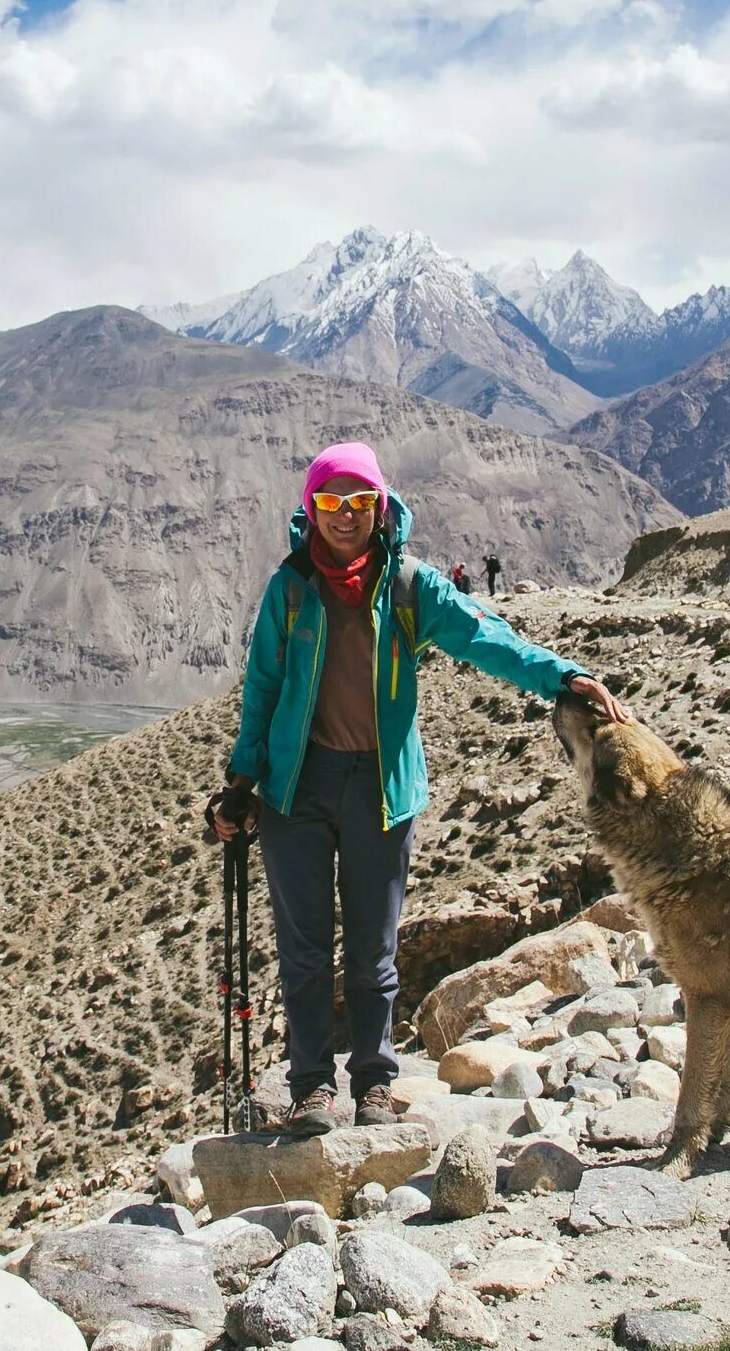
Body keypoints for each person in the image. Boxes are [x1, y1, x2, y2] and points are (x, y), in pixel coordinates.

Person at [208, 442, 627, 1135]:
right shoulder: (289, 589)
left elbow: (484, 635)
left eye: (360, 502)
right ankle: (312, 1087)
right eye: (332, 503)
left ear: (380, 505)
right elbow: (263, 692)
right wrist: (240, 781)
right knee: (305, 948)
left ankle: (373, 1083)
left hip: (381, 786)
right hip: (294, 792)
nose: (346, 517)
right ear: (310, 508)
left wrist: (562, 675)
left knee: (374, 949)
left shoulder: (409, 584)